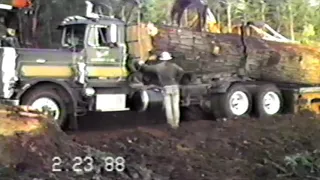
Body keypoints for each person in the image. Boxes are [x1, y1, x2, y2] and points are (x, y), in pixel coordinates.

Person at [135, 51, 185, 129]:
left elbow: (146, 69)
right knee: (175, 105)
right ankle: (176, 123)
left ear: (161, 59)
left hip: (165, 87)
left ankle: (171, 124)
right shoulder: (174, 66)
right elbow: (181, 72)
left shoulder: (158, 67)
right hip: (175, 86)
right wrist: (177, 80)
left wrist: (141, 64)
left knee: (168, 106)